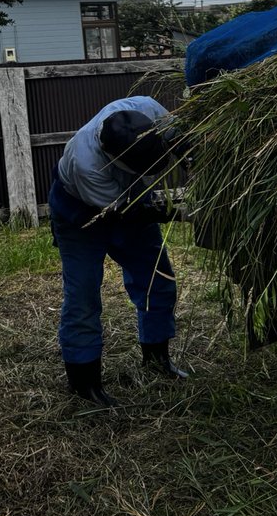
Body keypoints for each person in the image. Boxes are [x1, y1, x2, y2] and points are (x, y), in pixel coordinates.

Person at [49, 95, 187, 406]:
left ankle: (156, 360)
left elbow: (181, 137)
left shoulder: (147, 108)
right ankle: (85, 382)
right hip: (81, 214)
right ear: (115, 161)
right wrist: (178, 213)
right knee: (83, 294)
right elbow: (129, 213)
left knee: (156, 279)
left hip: (127, 197)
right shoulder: (86, 165)